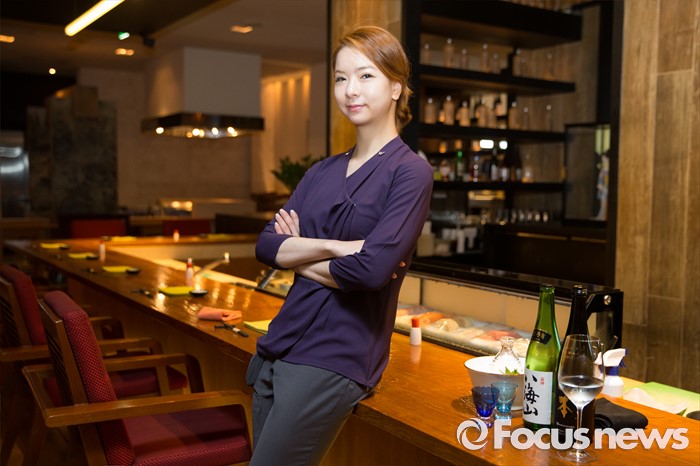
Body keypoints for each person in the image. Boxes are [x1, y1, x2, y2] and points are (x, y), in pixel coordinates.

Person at [247, 25, 433, 465]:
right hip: (278, 343)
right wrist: (337, 247)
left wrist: (299, 251)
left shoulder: (410, 172)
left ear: (396, 87)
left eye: (366, 76)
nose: (350, 90)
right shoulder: (321, 171)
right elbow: (267, 246)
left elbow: (370, 271)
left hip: (335, 357)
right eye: (340, 78)